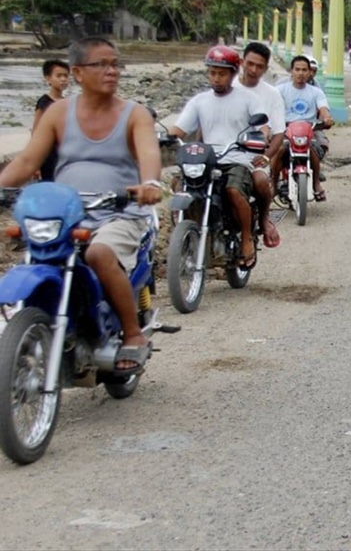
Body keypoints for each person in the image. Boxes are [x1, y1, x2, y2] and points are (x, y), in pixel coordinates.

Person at [0, 37, 163, 373]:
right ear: (77, 72)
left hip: (121, 213)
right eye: (100, 64)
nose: (111, 71)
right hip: (67, 214)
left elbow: (149, 153)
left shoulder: (135, 114)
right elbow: (29, 159)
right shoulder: (58, 112)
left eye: (115, 64)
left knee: (99, 253)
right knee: (34, 251)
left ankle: (133, 333)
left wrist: (149, 184)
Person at [168, 45, 271, 270]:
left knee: (233, 189)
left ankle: (246, 238)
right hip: (205, 160)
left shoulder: (248, 99)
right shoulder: (199, 101)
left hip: (236, 158)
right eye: (212, 72)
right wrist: (164, 137)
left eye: (221, 73)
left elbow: (263, 128)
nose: (216, 78)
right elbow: (179, 129)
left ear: (234, 73)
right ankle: (186, 235)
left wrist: (258, 141)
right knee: (179, 186)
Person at [235, 41, 285, 249]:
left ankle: (264, 219)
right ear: (241, 62)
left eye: (259, 66)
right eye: (250, 64)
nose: (253, 70)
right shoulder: (227, 89)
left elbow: (278, 132)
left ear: (266, 68)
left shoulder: (271, 94)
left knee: (261, 182)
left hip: (254, 155)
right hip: (224, 154)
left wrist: (265, 157)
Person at [277, 55, 334, 201]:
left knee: (314, 149)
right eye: (297, 69)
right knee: (278, 150)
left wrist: (326, 118)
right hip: (286, 129)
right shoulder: (280, 90)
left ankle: (316, 182)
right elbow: (270, 108)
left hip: (309, 130)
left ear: (310, 72)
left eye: (304, 70)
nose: (301, 73)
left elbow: (323, 109)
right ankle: (272, 181)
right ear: (292, 71)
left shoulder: (316, 92)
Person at [32, 58, 70, 181]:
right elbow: (36, 131)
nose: (63, 79)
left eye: (66, 76)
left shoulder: (66, 102)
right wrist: (35, 164)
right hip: (49, 154)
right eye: (59, 76)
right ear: (48, 78)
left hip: (64, 152)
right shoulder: (44, 102)